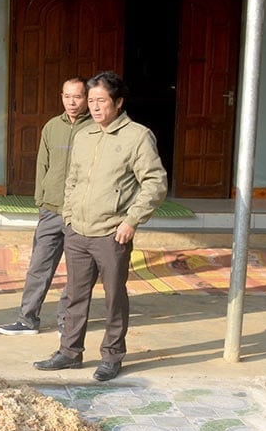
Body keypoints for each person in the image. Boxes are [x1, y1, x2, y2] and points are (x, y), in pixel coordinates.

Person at [34, 71, 167, 382]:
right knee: (74, 295)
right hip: (77, 231)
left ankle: (111, 355)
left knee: (113, 297)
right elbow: (73, 179)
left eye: (101, 101)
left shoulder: (137, 136)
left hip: (112, 233)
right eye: (90, 100)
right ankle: (69, 352)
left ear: (118, 102)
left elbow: (155, 183)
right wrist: (68, 216)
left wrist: (132, 220)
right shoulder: (84, 135)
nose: (94, 107)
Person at [0, 77, 91, 336]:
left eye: (77, 97)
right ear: (61, 97)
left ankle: (66, 322)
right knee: (39, 267)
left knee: (76, 271)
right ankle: (27, 320)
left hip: (80, 213)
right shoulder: (52, 126)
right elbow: (43, 164)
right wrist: (40, 200)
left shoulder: (95, 128)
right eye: (66, 96)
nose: (71, 102)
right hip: (50, 209)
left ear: (87, 98)